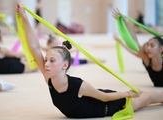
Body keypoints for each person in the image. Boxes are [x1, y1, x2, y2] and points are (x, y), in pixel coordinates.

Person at [15, 2, 163, 118]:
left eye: (51, 61)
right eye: (46, 60)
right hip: (101, 98)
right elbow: (34, 47)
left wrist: (128, 94)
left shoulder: (78, 85)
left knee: (149, 98)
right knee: (147, 96)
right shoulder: (49, 78)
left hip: (111, 106)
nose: (45, 64)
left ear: (64, 65)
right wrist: (24, 16)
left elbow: (104, 97)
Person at [113, 8, 163, 87]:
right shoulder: (147, 59)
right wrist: (125, 22)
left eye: (152, 46)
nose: (148, 48)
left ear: (161, 49)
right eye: (148, 45)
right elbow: (134, 41)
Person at [0, 3, 37, 74]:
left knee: (36, 66)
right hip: (6, 64)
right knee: (18, 58)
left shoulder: (1, 51)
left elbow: (16, 55)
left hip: (13, 67)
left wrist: (31, 57)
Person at [41, 34, 106, 65]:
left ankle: (98, 59)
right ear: (49, 44)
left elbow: (68, 50)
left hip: (70, 60)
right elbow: (38, 46)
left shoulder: (59, 49)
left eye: (56, 43)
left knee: (86, 61)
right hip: (65, 62)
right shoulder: (48, 49)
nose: (56, 44)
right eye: (54, 43)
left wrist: (76, 49)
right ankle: (98, 59)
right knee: (85, 61)